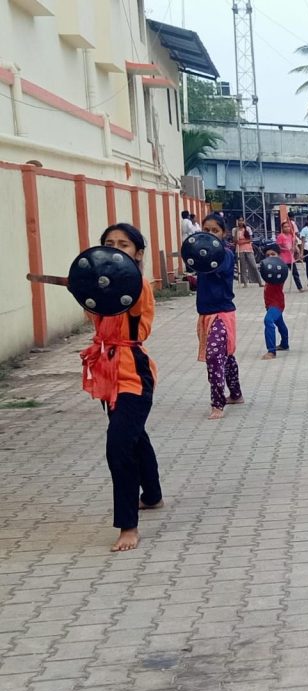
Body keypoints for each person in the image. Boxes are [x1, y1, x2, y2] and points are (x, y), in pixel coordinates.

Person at [80, 223, 163, 552]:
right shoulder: (102, 289)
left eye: (124, 244)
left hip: (133, 373)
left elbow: (125, 305)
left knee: (118, 446)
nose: (116, 249)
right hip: (107, 371)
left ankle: (128, 525)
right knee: (133, 436)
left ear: (137, 253)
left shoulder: (136, 284)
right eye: (109, 244)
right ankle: (153, 495)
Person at [196, 213, 243, 420]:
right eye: (206, 230)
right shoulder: (200, 253)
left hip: (222, 313)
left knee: (215, 356)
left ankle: (218, 403)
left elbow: (216, 268)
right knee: (226, 356)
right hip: (205, 314)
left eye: (215, 230)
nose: (210, 234)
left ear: (223, 233)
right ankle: (236, 394)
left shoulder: (225, 254)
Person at [260, 244, 290, 360]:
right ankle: (284, 344)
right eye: (268, 255)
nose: (270, 257)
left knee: (268, 321)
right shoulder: (267, 269)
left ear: (278, 256)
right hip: (269, 303)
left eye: (273, 254)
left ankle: (271, 351)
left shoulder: (279, 270)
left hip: (276, 303)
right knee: (279, 323)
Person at [275, 220, 304, 291]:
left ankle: (300, 287)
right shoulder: (280, 236)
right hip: (283, 258)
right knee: (283, 274)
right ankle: (279, 288)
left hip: (291, 258)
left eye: (288, 227)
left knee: (295, 273)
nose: (287, 228)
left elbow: (294, 245)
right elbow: (278, 247)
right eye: (285, 227)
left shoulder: (291, 236)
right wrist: (286, 249)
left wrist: (297, 251)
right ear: (282, 228)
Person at [233, 218, 259, 288]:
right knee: (242, 267)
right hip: (240, 250)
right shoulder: (235, 230)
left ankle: (258, 281)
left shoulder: (247, 229)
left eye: (242, 220)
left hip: (248, 249)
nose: (240, 222)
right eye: (239, 220)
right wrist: (236, 231)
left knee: (253, 265)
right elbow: (235, 240)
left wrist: (242, 242)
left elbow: (250, 239)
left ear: (244, 221)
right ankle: (245, 283)